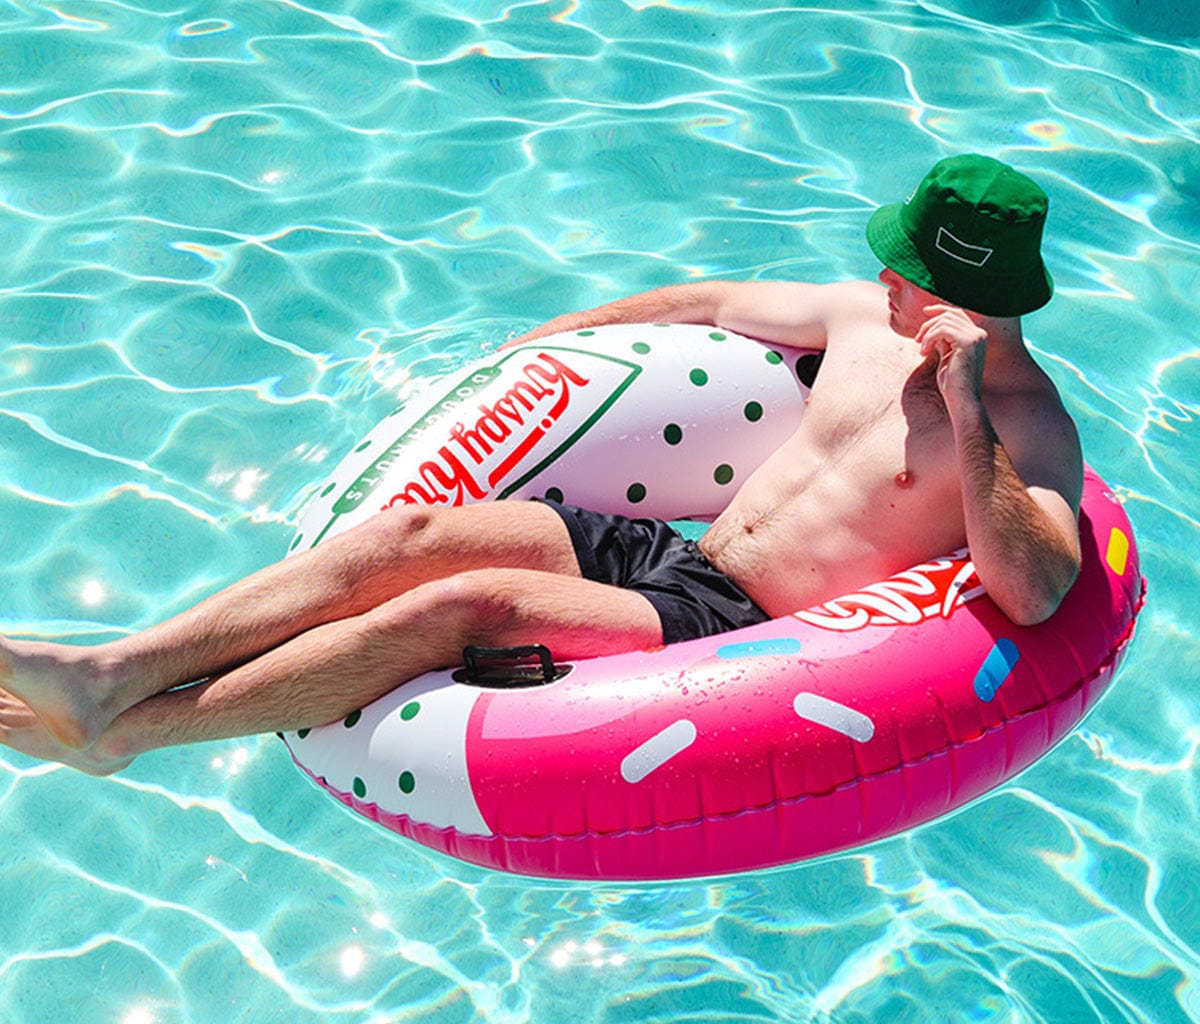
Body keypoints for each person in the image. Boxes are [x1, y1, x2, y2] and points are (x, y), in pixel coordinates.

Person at [0, 153, 1082, 776]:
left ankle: (130, 732)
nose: (876, 271)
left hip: (744, 633)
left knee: (462, 605)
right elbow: (701, 303)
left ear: (953, 286)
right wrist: (540, 346)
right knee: (407, 540)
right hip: (677, 554)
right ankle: (109, 672)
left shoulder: (1029, 427)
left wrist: (965, 402)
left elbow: (1034, 587)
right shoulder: (861, 320)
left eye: (900, 262)